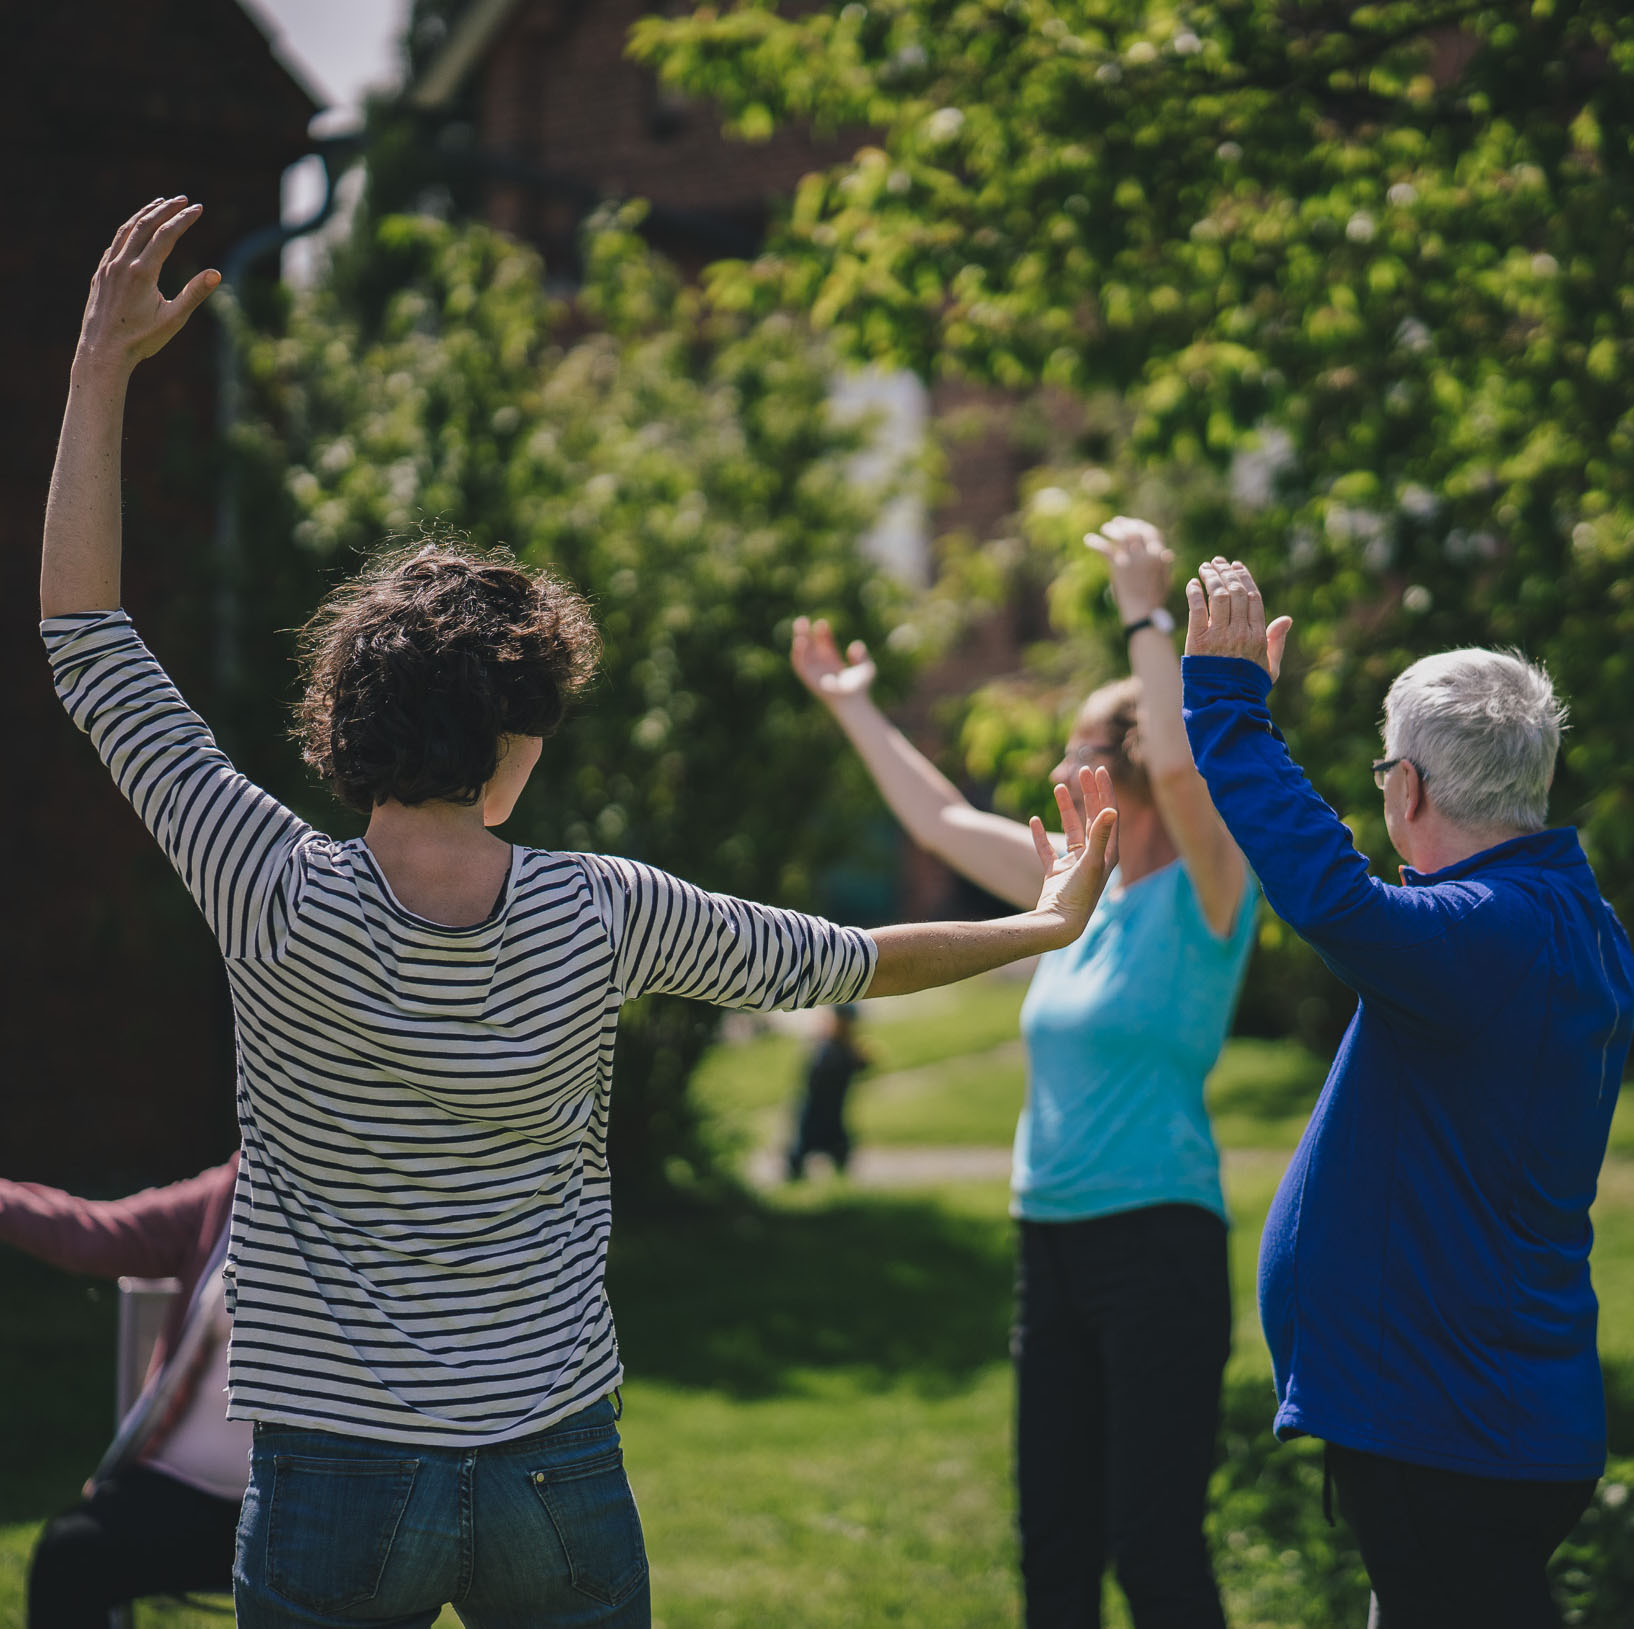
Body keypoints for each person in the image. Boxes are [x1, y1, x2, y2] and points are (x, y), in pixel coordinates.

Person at [40, 196, 1120, 1629]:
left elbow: (85, 641)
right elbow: (852, 961)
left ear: (346, 720)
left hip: (333, 1475)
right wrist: (1041, 927)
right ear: (515, 745)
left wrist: (96, 371)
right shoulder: (601, 912)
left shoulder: (265, 885)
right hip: (553, 1466)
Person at [792, 516, 1259, 1628]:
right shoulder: (1063, 895)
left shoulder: (1208, 888)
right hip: (1044, 1242)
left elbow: (1192, 769)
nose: (1062, 762)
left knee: (1152, 1552)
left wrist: (1147, 615)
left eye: (1088, 746)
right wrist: (852, 703)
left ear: (1136, 766)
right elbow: (937, 817)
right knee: (1051, 1555)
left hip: (1156, 1243)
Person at [1181, 556, 1634, 1629]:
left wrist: (1226, 709)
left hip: (1450, 1434)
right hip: (1484, 1425)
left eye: (1385, 771)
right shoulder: (1568, 923)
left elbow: (1334, 899)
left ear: (1407, 787)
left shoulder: (1487, 935)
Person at [1, 1158, 243, 1629]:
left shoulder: (375, 1207)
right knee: (70, 1553)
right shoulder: (229, 1192)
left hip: (306, 1504)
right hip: (186, 1497)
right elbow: (100, 1231)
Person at [786, 1004, 869, 1179]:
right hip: (815, 1107)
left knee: (839, 1146)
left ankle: (840, 1181)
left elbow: (860, 1065)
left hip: (834, 1109)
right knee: (803, 1145)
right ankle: (795, 1176)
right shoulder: (826, 1048)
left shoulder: (846, 1047)